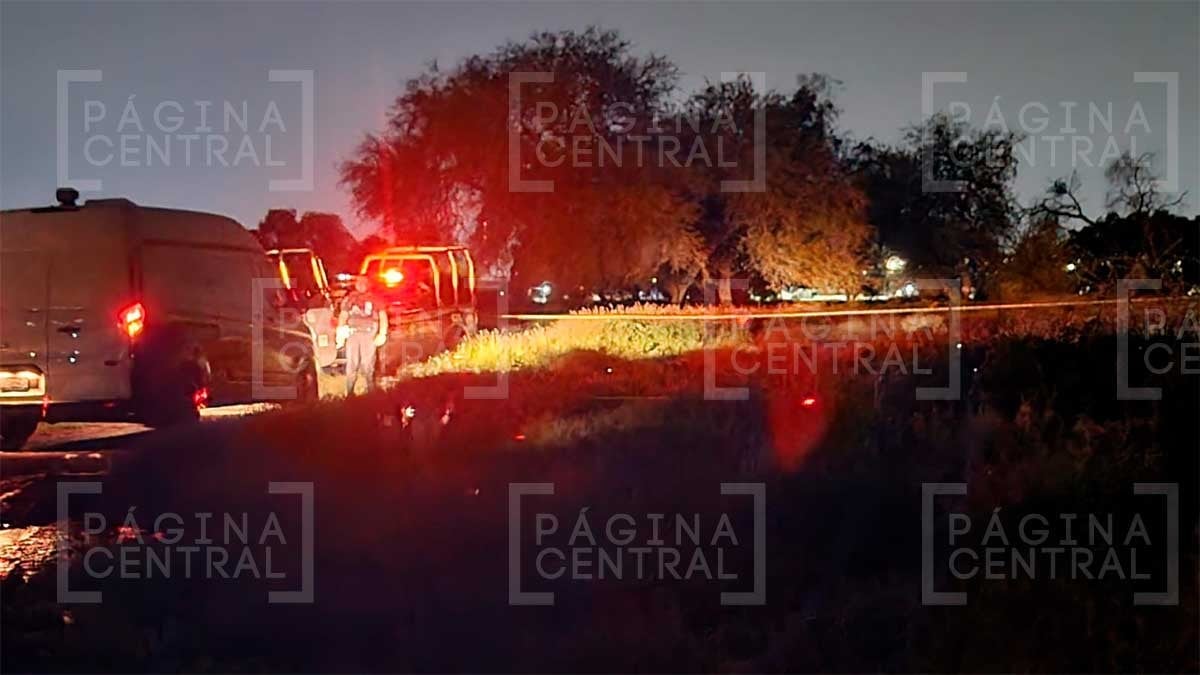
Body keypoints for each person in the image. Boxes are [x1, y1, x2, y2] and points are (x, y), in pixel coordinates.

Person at [336, 275, 388, 395]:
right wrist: (340, 333)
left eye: (364, 283)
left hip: (368, 334)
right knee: (352, 364)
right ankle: (349, 393)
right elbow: (343, 315)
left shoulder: (375, 299)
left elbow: (382, 316)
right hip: (353, 334)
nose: (361, 285)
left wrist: (382, 333)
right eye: (359, 283)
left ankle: (370, 391)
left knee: (367, 364)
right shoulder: (350, 298)